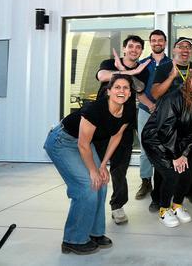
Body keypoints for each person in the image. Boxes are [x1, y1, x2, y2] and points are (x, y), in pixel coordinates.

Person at [44, 75, 131, 255]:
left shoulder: (128, 110)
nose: (121, 91)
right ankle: (73, 240)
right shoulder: (96, 109)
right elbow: (82, 144)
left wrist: (103, 165)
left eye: (126, 88)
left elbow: (116, 136)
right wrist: (92, 170)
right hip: (63, 141)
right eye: (117, 87)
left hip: (84, 143)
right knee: (88, 186)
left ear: (130, 93)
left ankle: (94, 232)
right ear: (108, 91)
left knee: (102, 184)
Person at [142, 68, 192, 228]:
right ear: (188, 81)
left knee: (187, 173)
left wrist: (184, 153)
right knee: (171, 173)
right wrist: (176, 156)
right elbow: (165, 129)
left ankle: (176, 205)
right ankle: (164, 210)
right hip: (156, 140)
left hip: (180, 142)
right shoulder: (174, 98)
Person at [93, 35, 150, 225]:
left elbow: (140, 88)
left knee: (119, 170)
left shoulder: (143, 70)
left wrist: (152, 106)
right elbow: (102, 76)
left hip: (124, 125)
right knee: (94, 167)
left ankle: (117, 206)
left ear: (141, 51)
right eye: (131, 46)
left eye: (138, 47)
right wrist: (126, 70)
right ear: (124, 48)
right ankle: (93, 204)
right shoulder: (109, 62)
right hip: (100, 125)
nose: (134, 50)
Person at [149, 36, 192, 208]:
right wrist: (171, 77)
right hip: (168, 124)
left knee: (189, 159)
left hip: (189, 123)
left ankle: (189, 192)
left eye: (188, 47)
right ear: (174, 50)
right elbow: (155, 94)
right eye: (181, 46)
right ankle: (157, 199)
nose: (185, 50)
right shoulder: (164, 68)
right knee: (164, 162)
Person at [135, 29, 171, 202]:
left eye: (160, 40)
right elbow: (136, 88)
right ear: (150, 43)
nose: (157, 43)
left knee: (165, 147)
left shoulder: (171, 63)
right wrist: (150, 105)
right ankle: (146, 181)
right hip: (145, 110)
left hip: (166, 112)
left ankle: (165, 181)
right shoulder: (141, 64)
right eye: (154, 40)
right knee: (144, 148)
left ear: (165, 42)